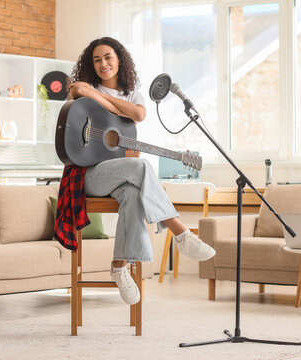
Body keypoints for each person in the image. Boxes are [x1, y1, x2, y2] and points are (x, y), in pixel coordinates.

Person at [58, 37, 216, 305]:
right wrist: (95, 94)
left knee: (133, 194)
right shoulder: (79, 89)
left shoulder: (132, 95)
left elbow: (138, 115)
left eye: (108, 57)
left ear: (119, 60)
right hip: (87, 176)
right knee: (143, 166)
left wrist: (96, 95)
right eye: (97, 59)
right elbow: (80, 106)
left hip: (117, 174)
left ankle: (119, 268)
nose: (103, 64)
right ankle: (180, 232)